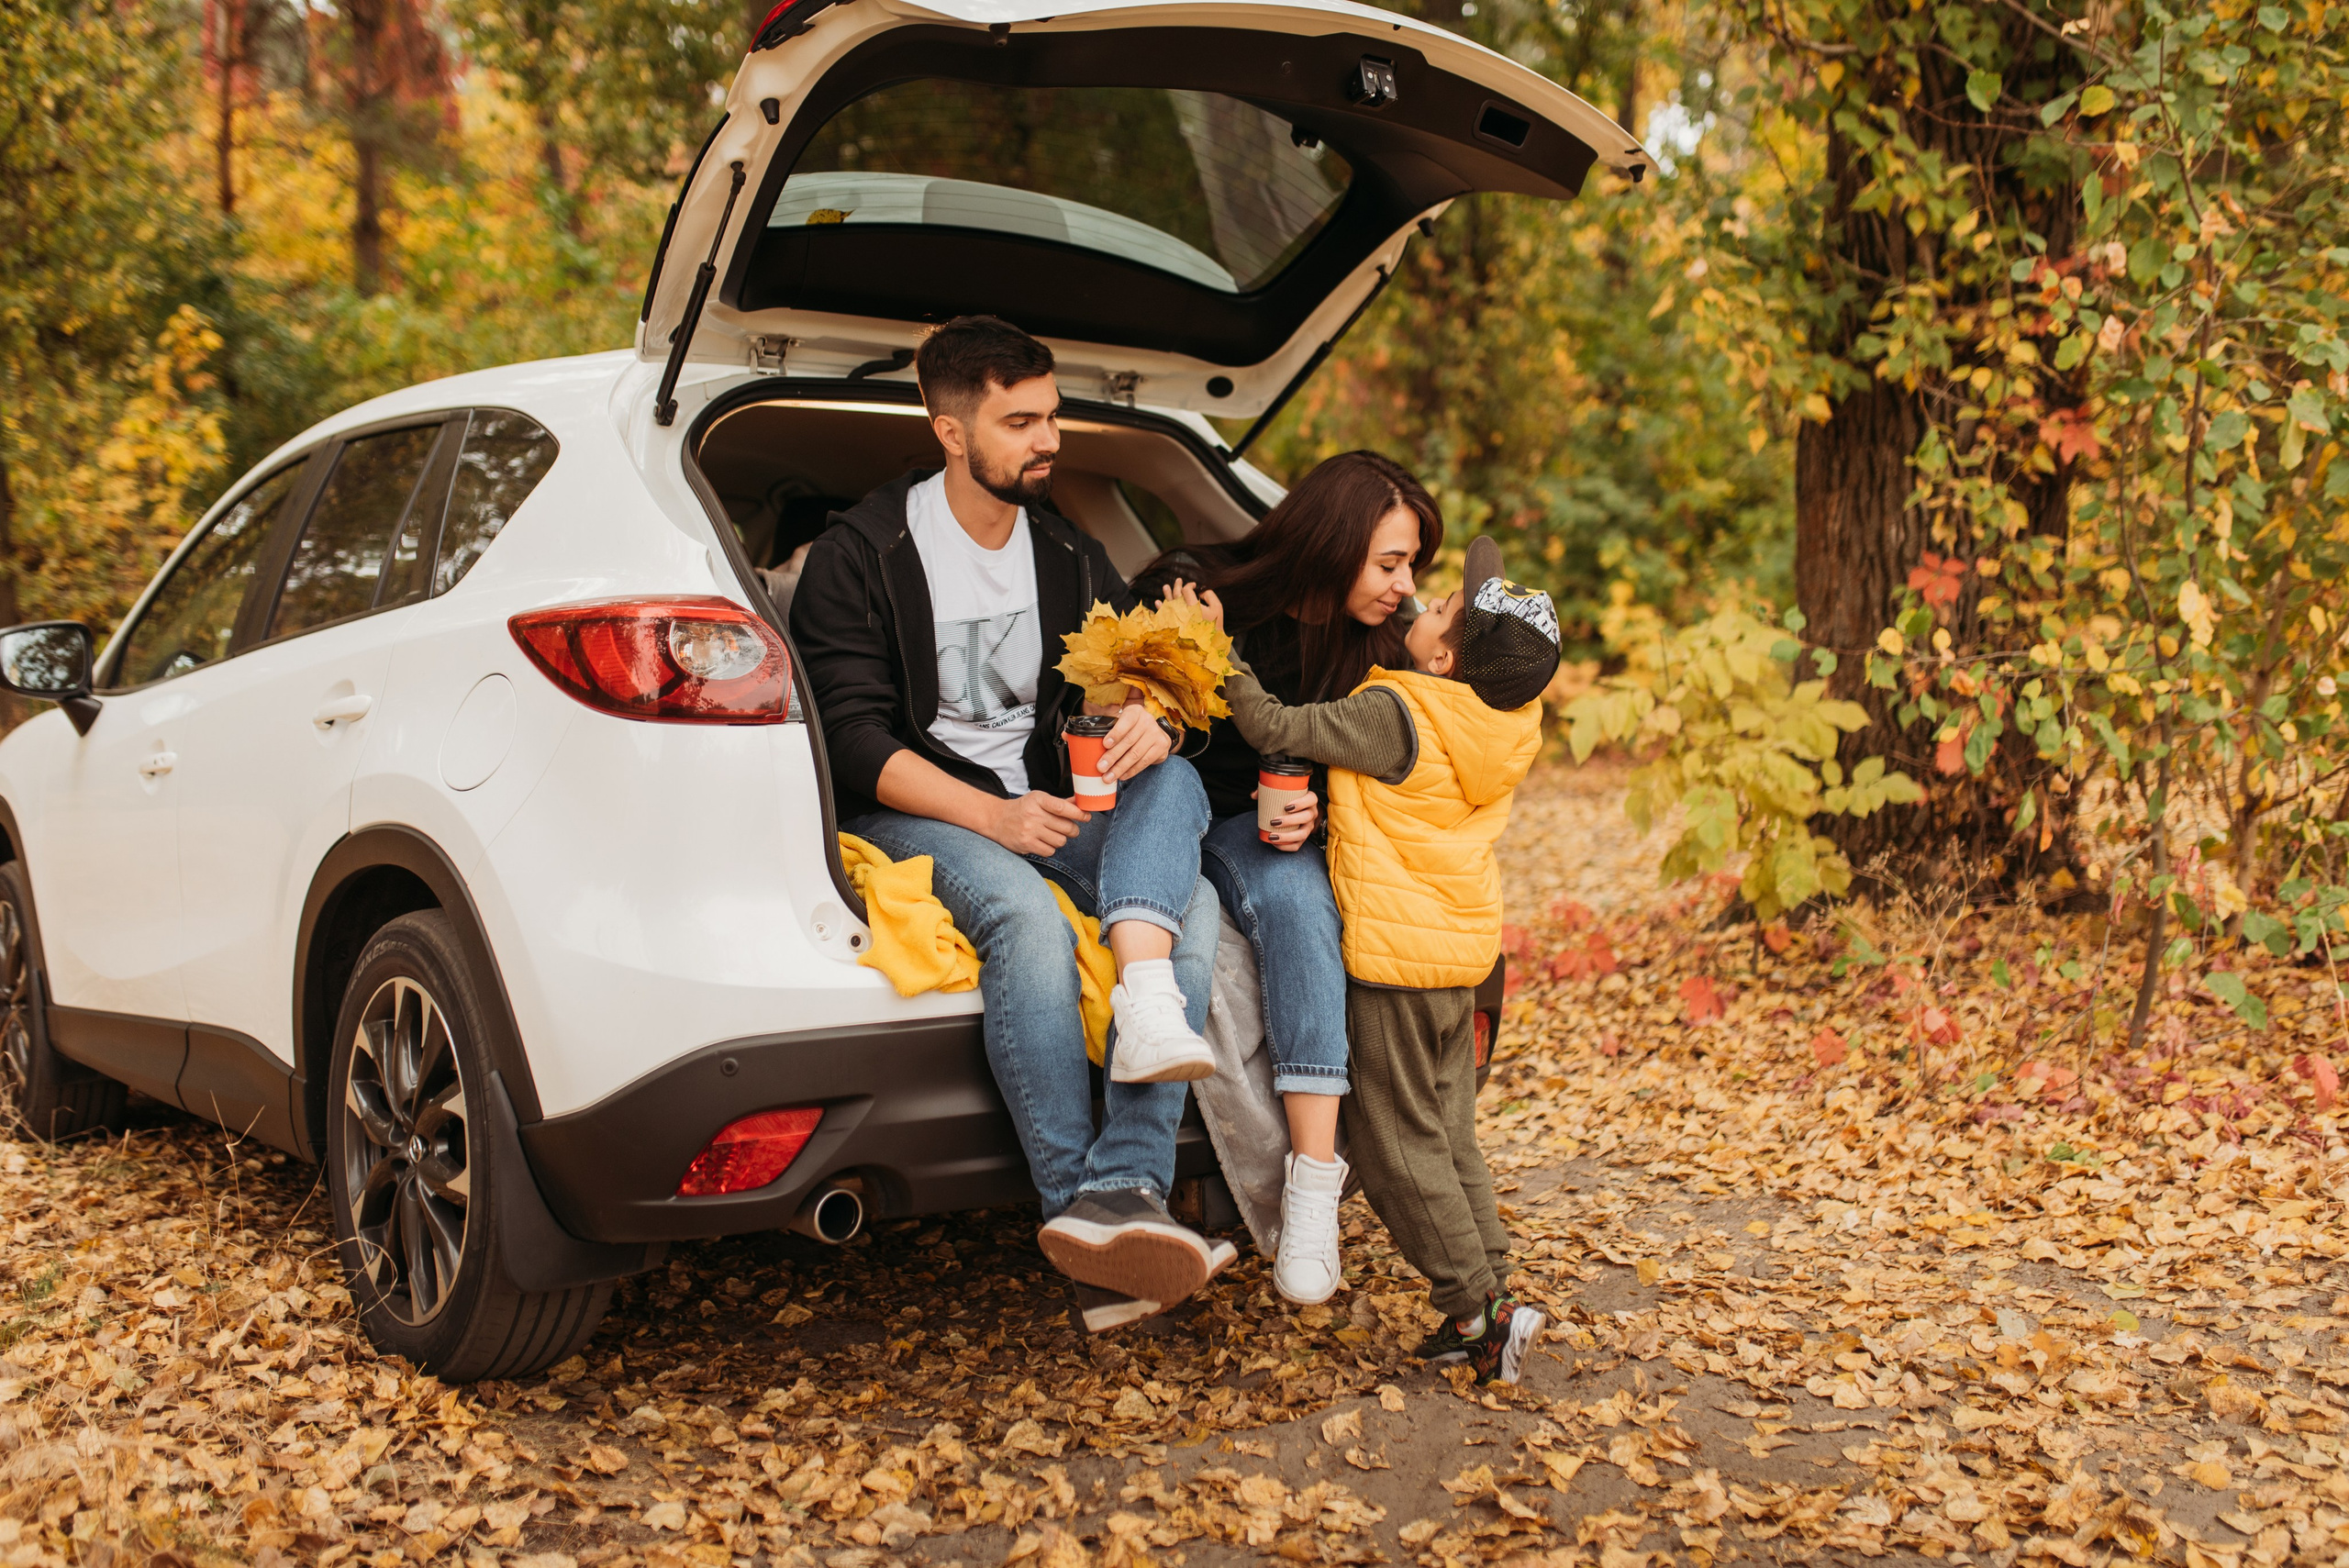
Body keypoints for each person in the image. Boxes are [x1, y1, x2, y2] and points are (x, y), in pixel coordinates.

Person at [791, 315, 1230, 1329]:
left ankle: (1129, 1181)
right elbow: (851, 739)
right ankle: (1082, 1219)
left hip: (1050, 801)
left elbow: (1131, 672)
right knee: (1025, 918)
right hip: (916, 810)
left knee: (1191, 886)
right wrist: (991, 815)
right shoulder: (863, 554)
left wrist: (1153, 716)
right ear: (950, 432)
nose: (1049, 440)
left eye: (1052, 416)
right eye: (1021, 421)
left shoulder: (1067, 551)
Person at [1177, 535, 1562, 1383]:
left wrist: (1215, 646)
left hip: (1393, 968)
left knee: (1394, 1149)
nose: (1422, 598)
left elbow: (1273, 724)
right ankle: (1494, 1286)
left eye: (1443, 607)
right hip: (1457, 959)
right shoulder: (1502, 721)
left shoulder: (1397, 715)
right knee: (1452, 1134)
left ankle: (1477, 1313)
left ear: (1445, 656)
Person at [1130, 453, 1439, 1306]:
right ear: (1332, 545)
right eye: (1389, 563)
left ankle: (1312, 1189)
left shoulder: (1387, 644)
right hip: (1161, 810)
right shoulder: (1194, 589)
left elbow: (1396, 771)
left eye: (1413, 564)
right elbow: (1112, 701)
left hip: (1260, 832)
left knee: (1300, 897)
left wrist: (1323, 816)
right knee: (1212, 821)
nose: (1406, 586)